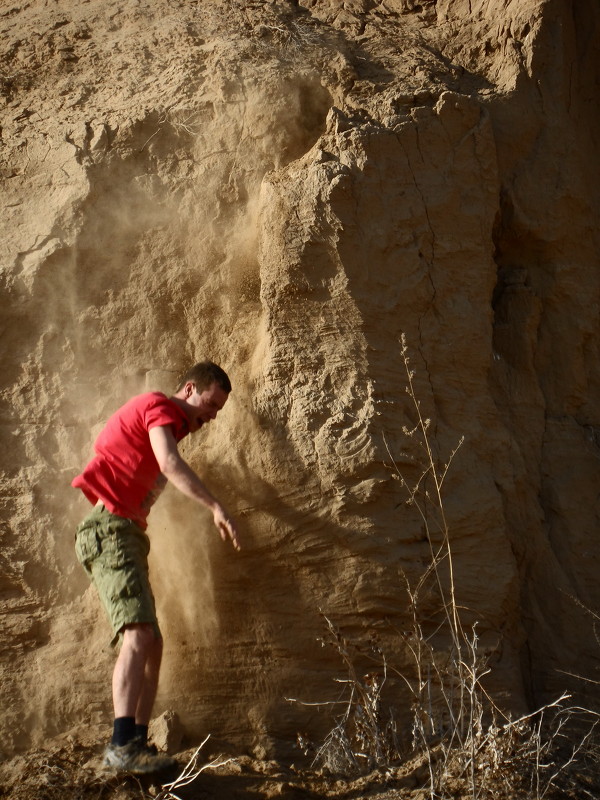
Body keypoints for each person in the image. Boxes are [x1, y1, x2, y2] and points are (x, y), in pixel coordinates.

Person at [72, 361, 240, 774]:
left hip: (125, 534)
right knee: (139, 634)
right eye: (210, 404)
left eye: (219, 411)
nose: (212, 416)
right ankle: (119, 746)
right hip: (110, 530)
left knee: (153, 642)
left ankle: (138, 744)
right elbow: (167, 462)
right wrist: (216, 506)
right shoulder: (158, 407)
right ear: (188, 389)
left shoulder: (164, 419)